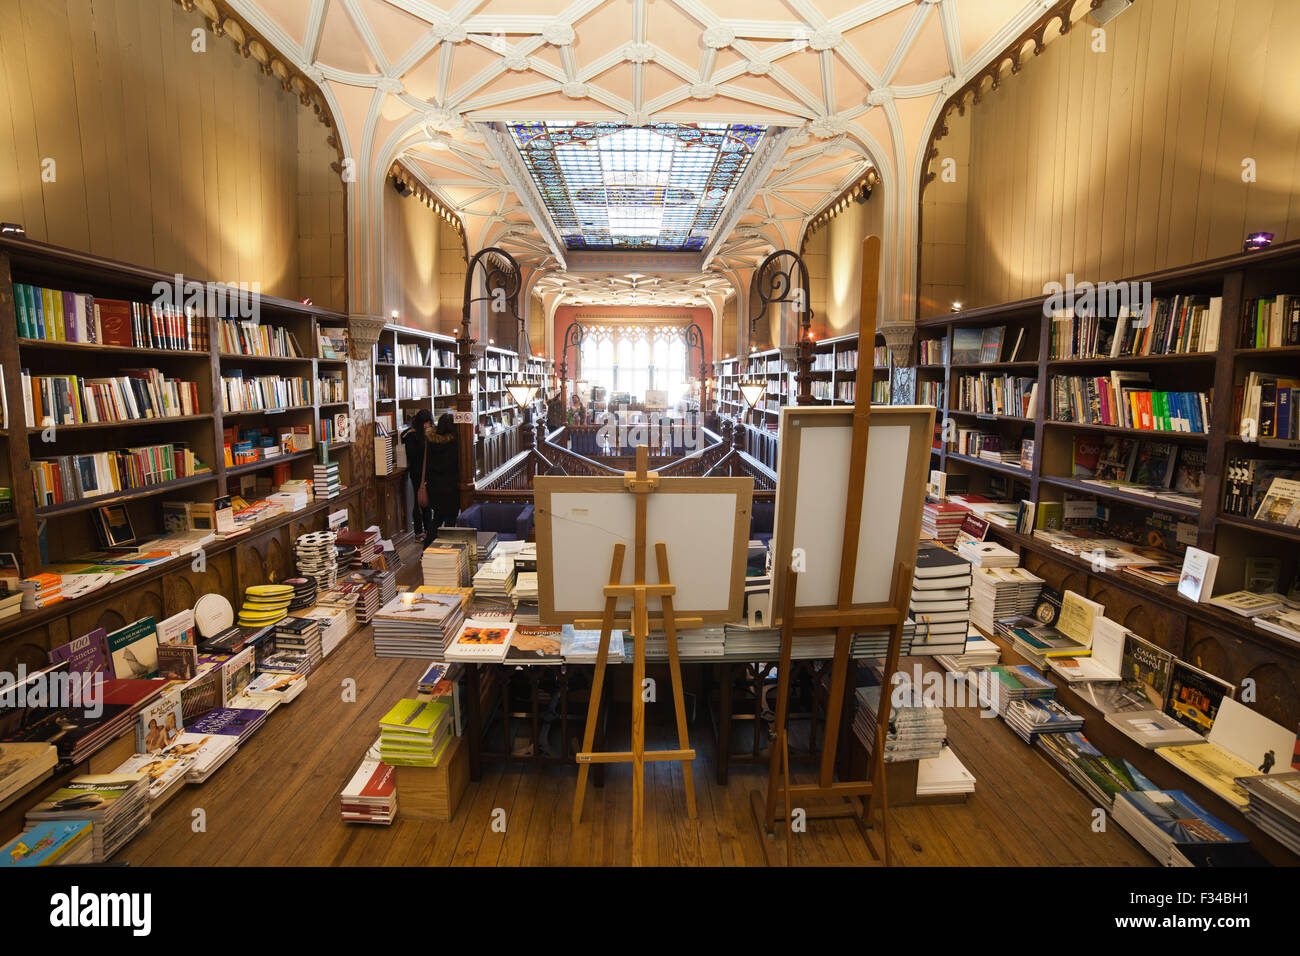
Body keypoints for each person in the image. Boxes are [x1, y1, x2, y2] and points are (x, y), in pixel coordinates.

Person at [422, 412, 460, 546]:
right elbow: (456, 465)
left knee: (437, 518)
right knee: (450, 519)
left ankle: (427, 547)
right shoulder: (454, 443)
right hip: (450, 487)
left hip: (434, 486)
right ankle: (448, 549)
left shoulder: (430, 442)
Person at [402, 409, 433, 537]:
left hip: (428, 472)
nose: (427, 425)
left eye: (429, 423)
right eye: (425, 423)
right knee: (419, 501)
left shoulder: (429, 433)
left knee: (427, 502)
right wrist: (424, 443)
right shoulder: (411, 435)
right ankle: (419, 531)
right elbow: (412, 453)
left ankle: (428, 528)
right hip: (417, 473)